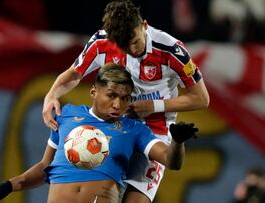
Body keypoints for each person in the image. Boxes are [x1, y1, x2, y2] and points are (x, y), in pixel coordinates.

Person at [42, 0, 209, 202]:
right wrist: (51, 95)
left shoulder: (171, 50)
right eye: (124, 46)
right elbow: (74, 75)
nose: (132, 50)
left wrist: (154, 106)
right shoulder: (101, 42)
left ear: (144, 25)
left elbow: (201, 98)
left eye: (135, 41)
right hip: (115, 129)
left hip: (154, 131)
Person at [0, 63, 198, 203]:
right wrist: (10, 185)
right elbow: (45, 167)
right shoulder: (66, 115)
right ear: (94, 92)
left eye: (124, 98)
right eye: (111, 95)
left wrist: (177, 142)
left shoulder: (135, 129)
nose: (117, 104)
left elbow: (172, 161)